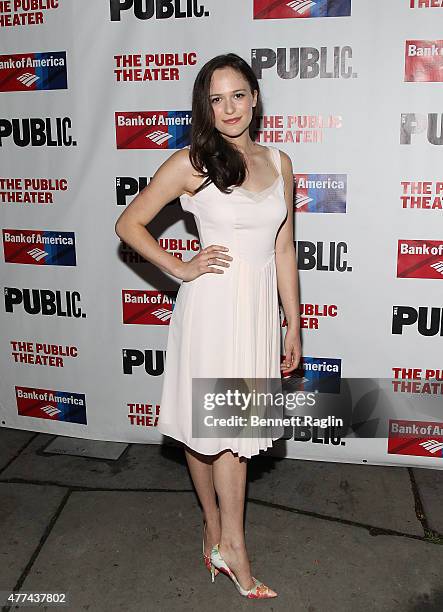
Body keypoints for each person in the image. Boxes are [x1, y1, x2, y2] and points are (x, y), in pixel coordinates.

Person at [115, 53, 301, 599]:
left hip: (257, 316)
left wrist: (293, 323)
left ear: (255, 98)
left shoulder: (280, 162)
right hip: (212, 312)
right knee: (216, 437)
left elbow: (284, 247)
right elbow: (129, 223)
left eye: (238, 95)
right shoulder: (194, 161)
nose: (229, 108)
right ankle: (231, 544)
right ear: (206, 106)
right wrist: (180, 267)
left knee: (226, 433)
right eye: (216, 99)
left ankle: (217, 533)